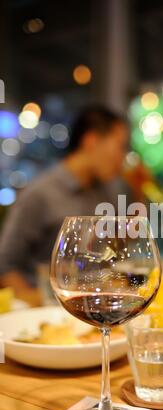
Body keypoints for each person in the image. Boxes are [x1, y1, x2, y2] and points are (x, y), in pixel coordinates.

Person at [0, 106, 131, 306]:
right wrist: (40, 303)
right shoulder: (40, 194)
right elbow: (5, 263)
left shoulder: (101, 192)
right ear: (91, 141)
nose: (123, 158)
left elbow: (117, 250)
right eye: (120, 146)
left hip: (89, 308)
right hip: (50, 312)